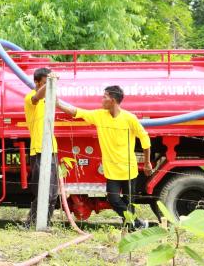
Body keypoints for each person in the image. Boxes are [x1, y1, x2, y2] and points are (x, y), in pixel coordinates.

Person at [57, 85, 152, 230]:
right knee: (114, 200)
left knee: (128, 202)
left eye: (104, 97)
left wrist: (147, 163)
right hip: (112, 170)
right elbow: (77, 112)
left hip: (129, 170)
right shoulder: (100, 116)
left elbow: (145, 140)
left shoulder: (129, 118)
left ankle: (131, 229)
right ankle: (137, 223)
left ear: (113, 100)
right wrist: (57, 103)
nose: (102, 100)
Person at [24, 67, 59, 227]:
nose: (48, 87)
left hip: (52, 150)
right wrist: (51, 82)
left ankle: (43, 222)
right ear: (36, 82)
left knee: (52, 193)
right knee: (42, 191)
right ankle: (33, 223)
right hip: (38, 150)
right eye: (45, 83)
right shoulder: (31, 98)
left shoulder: (49, 99)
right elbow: (37, 96)